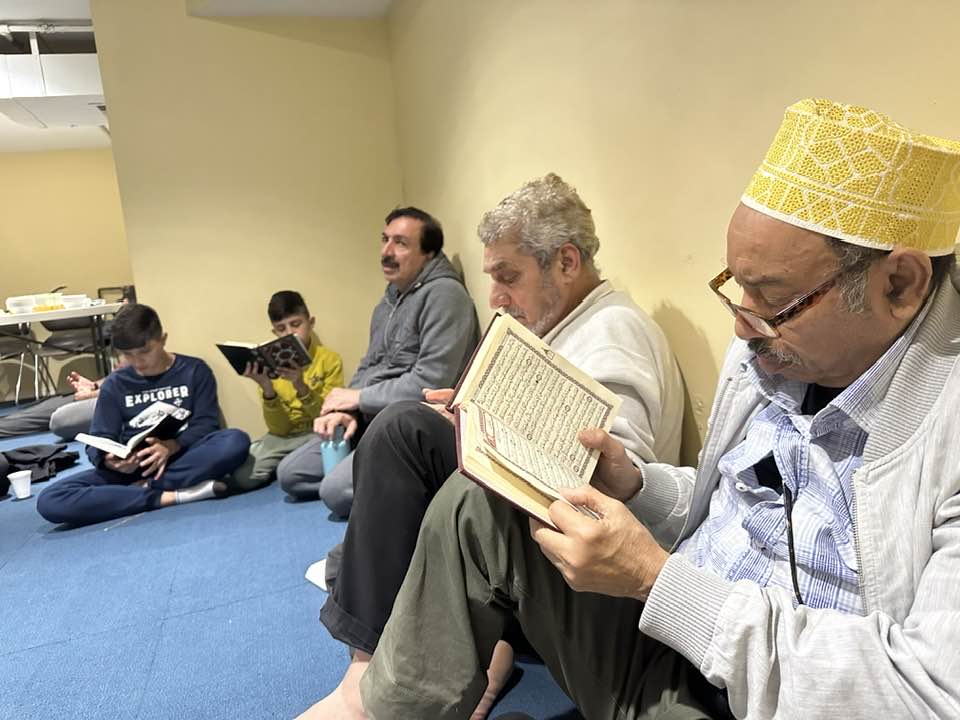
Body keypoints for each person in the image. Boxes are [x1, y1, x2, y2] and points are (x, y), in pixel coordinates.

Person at [345, 99, 960, 719]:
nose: (743, 329)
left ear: (899, 285)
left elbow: (929, 694)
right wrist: (635, 485)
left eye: (771, 298)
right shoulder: (778, 350)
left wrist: (655, 580)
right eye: (734, 286)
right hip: (667, 629)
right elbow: (738, 504)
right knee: (479, 501)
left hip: (749, 695)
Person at [301, 173, 685, 719]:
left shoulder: (613, 331)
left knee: (402, 433)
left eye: (509, 277)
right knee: (391, 477)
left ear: (567, 263)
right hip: (525, 538)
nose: (496, 297)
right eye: (492, 277)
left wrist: (472, 427)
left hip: (572, 568)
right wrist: (469, 412)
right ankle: (451, 649)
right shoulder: (559, 323)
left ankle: (368, 678)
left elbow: (602, 485)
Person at [278, 206, 480, 516]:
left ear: (428, 253)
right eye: (385, 240)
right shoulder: (387, 301)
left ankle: (417, 483)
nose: (386, 251)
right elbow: (369, 364)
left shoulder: (445, 296)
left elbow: (431, 381)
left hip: (407, 424)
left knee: (335, 492)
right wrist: (345, 410)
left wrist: (359, 397)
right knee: (290, 473)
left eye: (400, 243)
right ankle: (372, 472)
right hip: (369, 416)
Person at [36, 304, 250, 527]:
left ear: (163, 339)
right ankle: (168, 496)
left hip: (181, 458)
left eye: (145, 351)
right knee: (50, 500)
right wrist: (108, 460)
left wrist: (171, 446)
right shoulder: (115, 384)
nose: (138, 362)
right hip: (130, 469)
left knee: (235, 441)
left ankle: (139, 492)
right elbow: (99, 438)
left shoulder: (194, 370)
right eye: (128, 355)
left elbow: (206, 424)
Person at [224, 291, 343, 494]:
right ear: (274, 333)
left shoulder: (329, 359)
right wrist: (267, 388)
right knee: (243, 478)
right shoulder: (270, 361)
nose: (290, 334)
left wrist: (300, 385)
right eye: (281, 329)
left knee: (332, 448)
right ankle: (288, 462)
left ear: (310, 322)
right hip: (283, 436)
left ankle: (293, 465)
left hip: (316, 431)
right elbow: (277, 427)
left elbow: (328, 416)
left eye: (296, 324)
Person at [0, 370, 102, 441]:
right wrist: (95, 385)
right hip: (102, 392)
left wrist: (95, 394)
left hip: (112, 400)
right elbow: (117, 375)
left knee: (60, 420)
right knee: (44, 407)